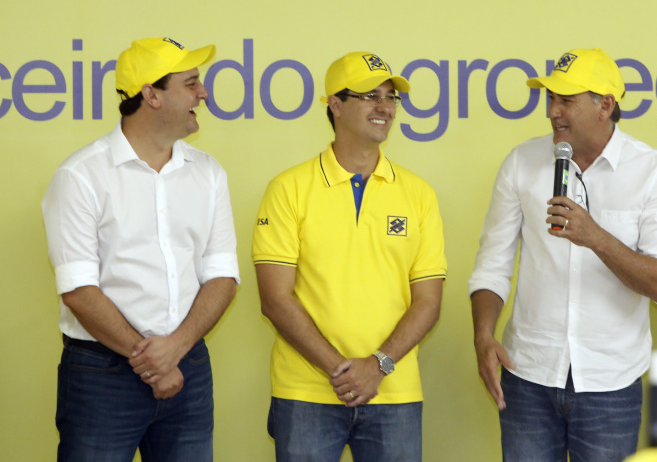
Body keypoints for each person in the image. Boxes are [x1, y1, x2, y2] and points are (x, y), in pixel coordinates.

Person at [469, 48, 657, 461]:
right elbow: (492, 265)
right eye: (550, 99)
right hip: (527, 375)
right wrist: (484, 334)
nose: (553, 111)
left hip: (610, 382)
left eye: (566, 100)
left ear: (605, 105)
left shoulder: (654, 172)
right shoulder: (521, 163)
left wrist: (596, 237)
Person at [42, 37, 240, 461]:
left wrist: (176, 349)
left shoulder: (208, 173)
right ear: (150, 95)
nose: (203, 93)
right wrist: (151, 360)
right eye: (191, 84)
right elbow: (78, 289)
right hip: (101, 374)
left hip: (189, 366)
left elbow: (223, 276)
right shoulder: (80, 176)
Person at [253, 52, 446, 462]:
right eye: (370, 96)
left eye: (391, 97)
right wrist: (341, 371)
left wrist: (377, 366)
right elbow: (275, 299)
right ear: (335, 105)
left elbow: (428, 301)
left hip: (393, 393)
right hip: (306, 393)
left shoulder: (418, 193)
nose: (385, 107)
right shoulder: (288, 188)